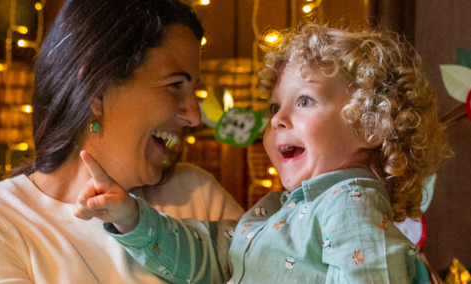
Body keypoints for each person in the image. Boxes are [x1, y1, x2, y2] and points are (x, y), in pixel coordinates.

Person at [74, 23, 447, 283]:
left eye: (304, 101)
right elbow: (206, 257)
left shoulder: (350, 202)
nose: (279, 120)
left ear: (369, 125)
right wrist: (132, 218)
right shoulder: (284, 212)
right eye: (273, 109)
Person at [0, 0, 244, 283]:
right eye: (175, 85)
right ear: (96, 92)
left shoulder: (198, 195)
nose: (195, 115)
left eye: (193, 89)